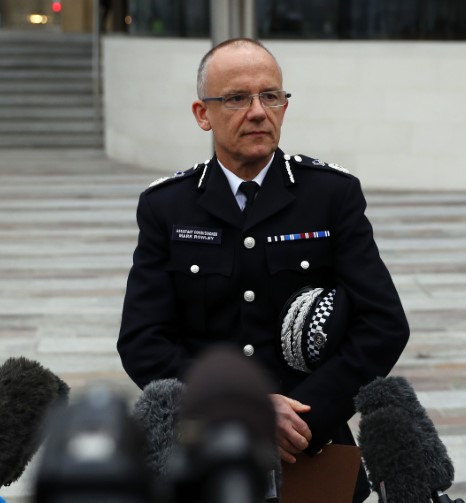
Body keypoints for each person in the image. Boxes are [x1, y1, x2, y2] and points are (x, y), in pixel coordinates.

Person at [117, 38, 409, 502]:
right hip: (205, 443)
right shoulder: (167, 206)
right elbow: (142, 340)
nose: (258, 111)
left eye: (271, 96)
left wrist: (305, 418)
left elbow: (384, 325)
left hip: (310, 445)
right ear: (202, 114)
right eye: (236, 98)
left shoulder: (331, 196)